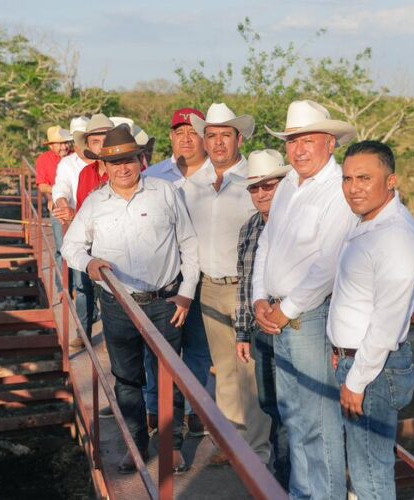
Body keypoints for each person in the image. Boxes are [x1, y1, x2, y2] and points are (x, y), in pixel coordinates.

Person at [61, 124, 197, 475]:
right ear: (104, 166)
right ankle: (135, 444)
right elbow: (71, 247)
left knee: (169, 374)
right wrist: (89, 264)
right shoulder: (95, 203)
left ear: (140, 160)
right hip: (118, 303)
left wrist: (186, 293)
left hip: (165, 300)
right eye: (115, 162)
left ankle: (171, 446)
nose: (123, 167)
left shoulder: (164, 192)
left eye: (129, 160)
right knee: (126, 377)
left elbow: (189, 243)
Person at [252, 100, 358, 499]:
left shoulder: (337, 190)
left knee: (318, 419)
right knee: (293, 415)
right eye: (292, 141)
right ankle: (301, 493)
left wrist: (285, 309)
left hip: (309, 316)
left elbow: (328, 264)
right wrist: (259, 298)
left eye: (307, 140)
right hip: (278, 313)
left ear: (330, 143)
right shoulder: (287, 187)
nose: (298, 150)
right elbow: (266, 242)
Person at [331, 141, 414, 499]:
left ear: (391, 181)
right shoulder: (371, 223)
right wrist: (341, 349)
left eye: (365, 178)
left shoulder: (395, 238)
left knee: (370, 474)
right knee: (364, 466)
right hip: (358, 361)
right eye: (348, 178)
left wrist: (357, 379)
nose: (354, 188)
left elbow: (386, 324)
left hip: (373, 371)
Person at [183, 103, 271, 466]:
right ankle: (233, 443)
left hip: (246, 288)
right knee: (224, 369)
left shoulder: (254, 179)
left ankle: (258, 453)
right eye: (212, 135)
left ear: (239, 139)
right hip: (210, 285)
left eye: (225, 135)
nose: (218, 143)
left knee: (250, 371)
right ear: (204, 140)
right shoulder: (193, 184)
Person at [141, 107, 212, 438]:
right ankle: (156, 407)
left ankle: (194, 408)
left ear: (204, 137)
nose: (186, 138)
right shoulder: (154, 175)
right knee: (158, 347)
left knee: (198, 346)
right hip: (165, 276)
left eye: (193, 132)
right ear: (171, 136)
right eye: (179, 132)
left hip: (207, 273)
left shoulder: (218, 175)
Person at [234, 149, 291, 486]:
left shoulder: (298, 224)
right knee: (270, 403)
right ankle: (280, 478)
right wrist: (243, 332)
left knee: (293, 409)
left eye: (268, 185)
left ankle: (287, 483)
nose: (260, 193)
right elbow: (245, 282)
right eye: (254, 187)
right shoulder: (249, 228)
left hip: (295, 327)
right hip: (262, 330)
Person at [53, 114, 113, 347]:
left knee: (111, 293)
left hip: (113, 244)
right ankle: (84, 332)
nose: (102, 146)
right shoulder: (84, 173)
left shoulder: (123, 171)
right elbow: (76, 204)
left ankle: (112, 338)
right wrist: (66, 209)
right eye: (96, 141)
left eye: (106, 139)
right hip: (88, 241)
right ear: (87, 144)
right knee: (83, 286)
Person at [36, 124, 73, 269]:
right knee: (61, 247)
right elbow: (42, 185)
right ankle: (62, 281)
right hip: (58, 206)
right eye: (60, 143)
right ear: (51, 145)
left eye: (66, 142)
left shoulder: (75, 156)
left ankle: (79, 281)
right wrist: (58, 193)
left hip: (77, 205)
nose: (64, 147)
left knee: (81, 248)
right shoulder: (44, 159)